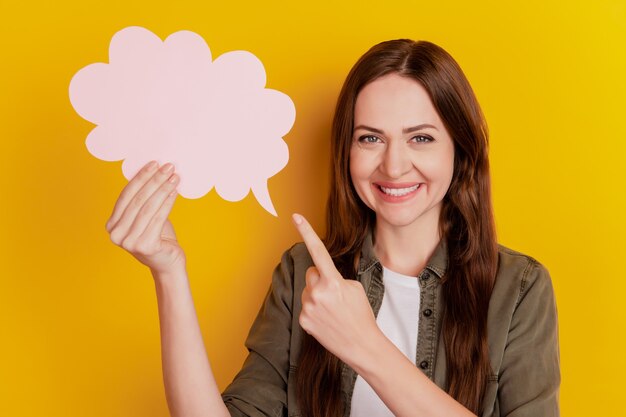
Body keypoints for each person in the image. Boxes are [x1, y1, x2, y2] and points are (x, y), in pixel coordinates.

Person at [105, 39, 560, 417]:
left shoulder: (519, 288)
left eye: (420, 137)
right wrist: (169, 273)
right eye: (370, 138)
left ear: (458, 151)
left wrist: (364, 344)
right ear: (347, 150)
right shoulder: (303, 273)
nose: (394, 165)